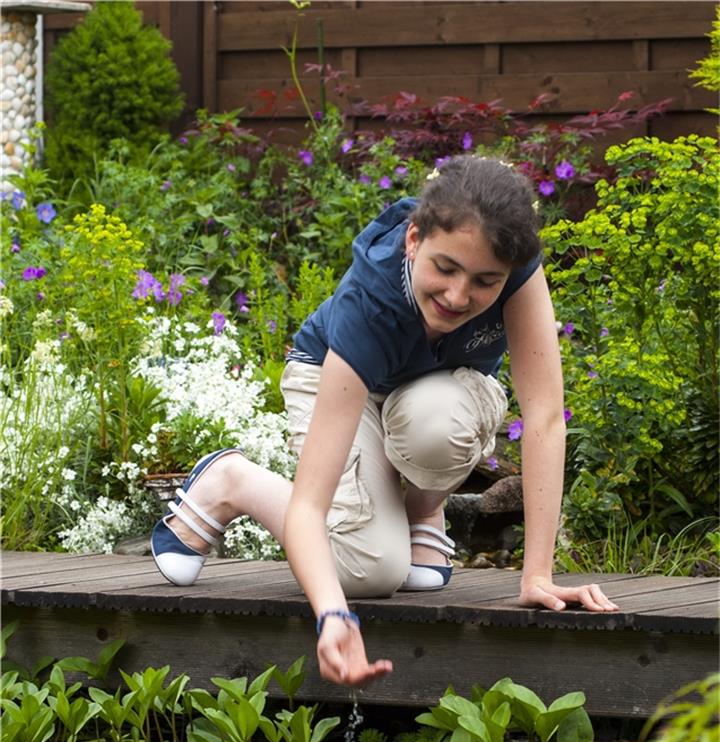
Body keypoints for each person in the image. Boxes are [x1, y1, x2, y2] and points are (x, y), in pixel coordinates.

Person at [150, 155, 618, 688]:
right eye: (445, 269)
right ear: (414, 239)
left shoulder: (516, 266)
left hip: (434, 396)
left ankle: (420, 511)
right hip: (337, 381)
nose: (459, 296)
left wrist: (537, 575)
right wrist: (332, 615)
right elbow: (308, 507)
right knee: (366, 572)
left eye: (485, 281)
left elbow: (544, 417)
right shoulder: (368, 303)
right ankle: (232, 482)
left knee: (436, 422)